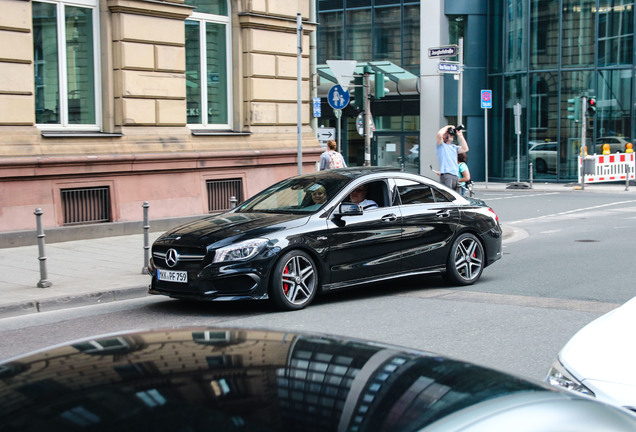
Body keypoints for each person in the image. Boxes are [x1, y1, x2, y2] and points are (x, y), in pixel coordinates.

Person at [436, 125, 468, 190]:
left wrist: (460, 135)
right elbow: (439, 134)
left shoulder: (454, 147)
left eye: (451, 135)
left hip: (455, 175)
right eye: (448, 134)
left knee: (456, 197)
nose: (451, 135)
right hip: (447, 174)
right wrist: (448, 127)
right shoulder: (441, 146)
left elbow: (465, 149)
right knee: (448, 195)